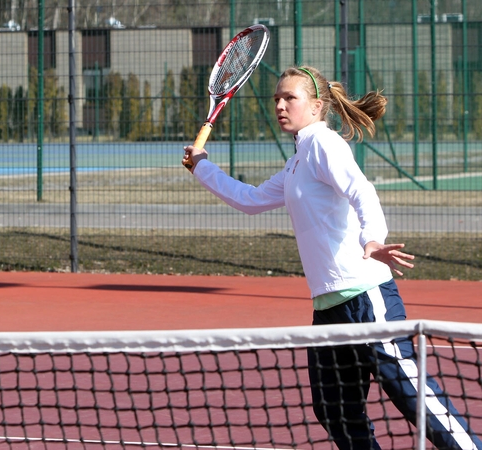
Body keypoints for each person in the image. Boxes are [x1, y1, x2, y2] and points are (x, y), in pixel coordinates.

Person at [182, 66, 481, 449]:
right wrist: (202, 166)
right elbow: (250, 199)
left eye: (290, 97)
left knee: (411, 394)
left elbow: (363, 192)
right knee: (335, 410)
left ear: (317, 105)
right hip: (328, 309)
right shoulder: (297, 162)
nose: (280, 105)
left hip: (366, 298)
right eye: (276, 98)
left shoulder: (324, 144)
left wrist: (372, 239)